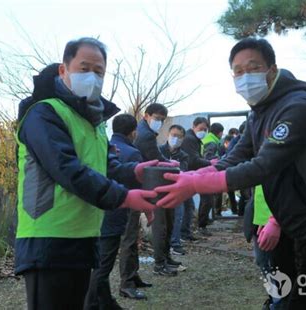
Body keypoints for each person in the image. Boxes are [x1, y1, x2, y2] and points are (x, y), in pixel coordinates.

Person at [155, 38, 306, 309]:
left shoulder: (297, 108)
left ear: (272, 70)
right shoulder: (257, 114)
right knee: (287, 295)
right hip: (297, 223)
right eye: (238, 71)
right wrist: (189, 176)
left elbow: (263, 165)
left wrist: (196, 185)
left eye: (253, 68)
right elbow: (234, 158)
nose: (245, 77)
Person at [15, 38, 163, 310]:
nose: (92, 77)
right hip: (49, 238)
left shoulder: (93, 122)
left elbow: (107, 168)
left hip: (83, 236)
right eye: (84, 68)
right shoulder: (44, 113)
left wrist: (137, 171)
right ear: (64, 70)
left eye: (99, 71)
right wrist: (125, 198)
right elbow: (68, 170)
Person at [87, 114, 148, 309]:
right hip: (119, 211)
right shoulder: (132, 153)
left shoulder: (105, 147)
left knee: (100, 262)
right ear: (133, 132)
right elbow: (134, 183)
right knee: (104, 264)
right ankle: (94, 301)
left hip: (97, 212)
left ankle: (107, 302)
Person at [134, 103, 181, 276]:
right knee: (161, 225)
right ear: (147, 115)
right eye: (157, 119)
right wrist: (170, 163)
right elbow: (155, 157)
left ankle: (165, 258)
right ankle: (160, 264)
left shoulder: (144, 130)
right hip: (153, 184)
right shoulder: (145, 135)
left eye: (162, 120)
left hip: (154, 182)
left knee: (167, 222)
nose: (159, 123)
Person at [244, 185, 296, 309]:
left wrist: (274, 221)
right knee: (263, 262)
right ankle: (276, 300)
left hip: (279, 222)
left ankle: (281, 302)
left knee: (280, 266)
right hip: (260, 219)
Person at [159, 125, 189, 256]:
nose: (175, 138)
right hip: (160, 189)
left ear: (183, 139)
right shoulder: (159, 150)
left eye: (179, 136)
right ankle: (161, 246)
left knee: (177, 217)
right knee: (160, 220)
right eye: (173, 135)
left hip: (177, 191)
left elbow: (183, 171)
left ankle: (175, 244)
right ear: (168, 134)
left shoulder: (183, 155)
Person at [180, 117, 212, 238]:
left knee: (190, 206)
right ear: (194, 126)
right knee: (189, 206)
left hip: (192, 174)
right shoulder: (189, 139)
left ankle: (186, 232)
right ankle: (185, 233)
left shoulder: (194, 139)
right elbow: (193, 160)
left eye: (205, 129)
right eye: (201, 129)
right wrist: (210, 163)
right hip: (189, 175)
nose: (203, 132)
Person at [202, 122, 224, 219]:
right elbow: (208, 158)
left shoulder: (208, 139)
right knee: (208, 199)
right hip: (208, 172)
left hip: (204, 171)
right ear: (219, 133)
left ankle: (206, 219)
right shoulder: (212, 143)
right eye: (221, 133)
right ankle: (204, 222)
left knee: (208, 198)